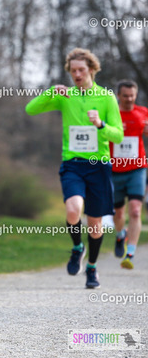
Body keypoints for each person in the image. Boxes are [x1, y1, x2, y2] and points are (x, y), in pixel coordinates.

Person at [25, 48, 123, 289]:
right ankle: (77, 247)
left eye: (81, 70)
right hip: (73, 164)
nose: (77, 75)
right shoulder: (65, 96)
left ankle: (91, 267)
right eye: (73, 71)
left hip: (98, 165)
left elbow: (118, 135)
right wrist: (51, 92)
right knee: (73, 210)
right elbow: (31, 109)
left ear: (92, 70)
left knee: (95, 224)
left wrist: (101, 125)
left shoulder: (106, 98)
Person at [110, 79, 148, 269]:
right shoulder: (110, 113)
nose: (129, 99)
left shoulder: (143, 112)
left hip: (137, 168)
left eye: (132, 95)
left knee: (135, 210)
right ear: (118, 96)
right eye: (125, 96)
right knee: (118, 213)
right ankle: (120, 235)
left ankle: (130, 253)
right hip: (114, 170)